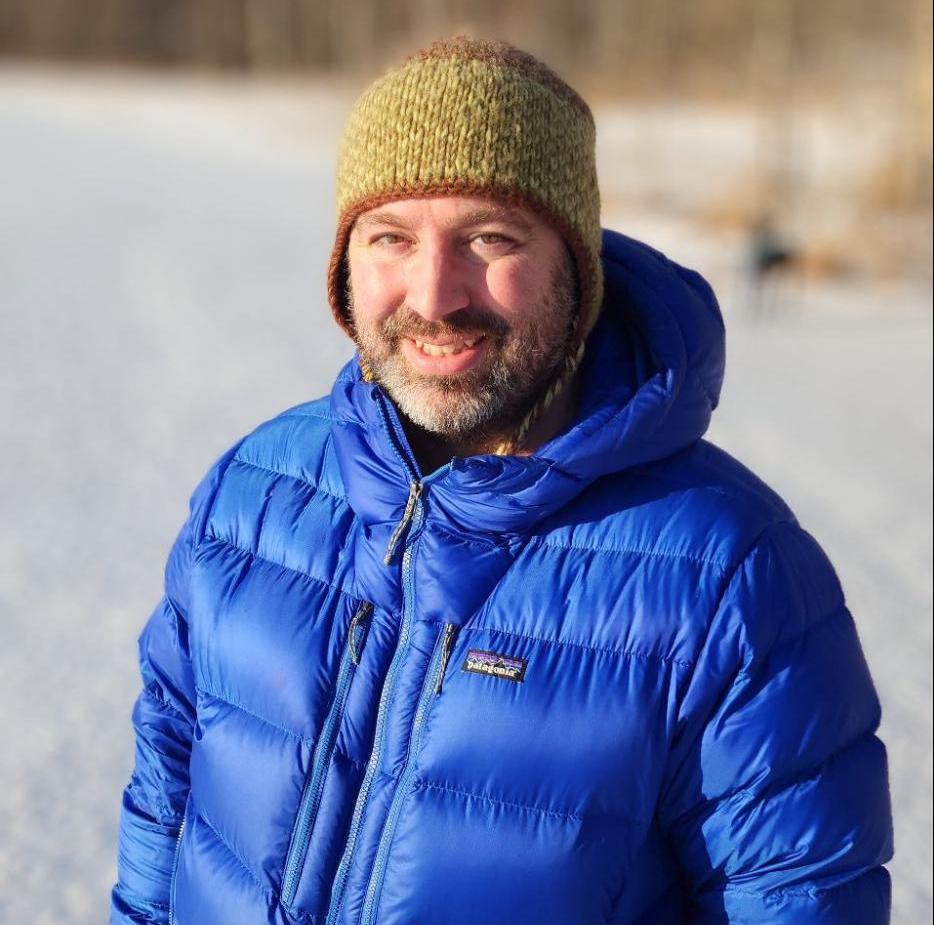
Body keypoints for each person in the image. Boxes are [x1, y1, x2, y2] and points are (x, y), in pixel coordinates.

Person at [110, 36, 893, 925]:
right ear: (344, 266)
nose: (435, 294)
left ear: (577, 269)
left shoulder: (730, 581)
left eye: (489, 237)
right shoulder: (249, 501)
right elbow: (163, 810)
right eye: (391, 238)